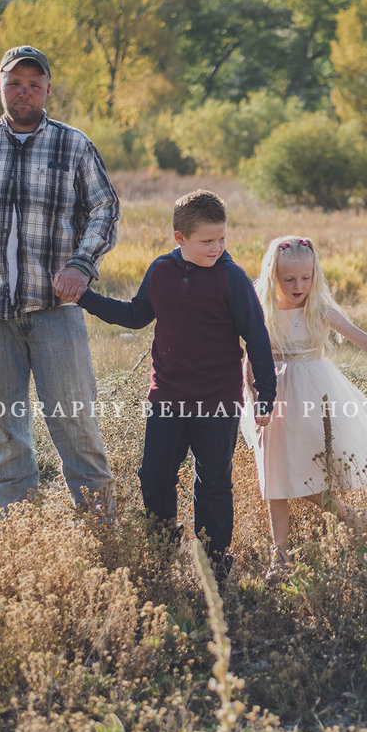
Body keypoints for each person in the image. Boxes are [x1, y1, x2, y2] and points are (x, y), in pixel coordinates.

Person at [0, 44, 118, 515]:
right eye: (15, 82)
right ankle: (19, 537)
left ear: (48, 89)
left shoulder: (73, 144)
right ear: (0, 85)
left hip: (55, 312)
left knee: (76, 428)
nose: (24, 91)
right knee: (6, 435)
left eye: (34, 84)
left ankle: (103, 540)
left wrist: (81, 264)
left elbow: (105, 209)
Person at [65, 189, 275, 584]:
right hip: (167, 396)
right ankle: (163, 542)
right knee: (154, 474)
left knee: (213, 478)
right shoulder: (161, 271)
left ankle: (214, 559)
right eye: (207, 241)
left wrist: (266, 393)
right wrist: (85, 298)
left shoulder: (232, 278)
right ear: (180, 238)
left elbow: (257, 338)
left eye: (222, 239)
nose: (218, 248)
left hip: (217, 400)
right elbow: (135, 315)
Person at [241, 235, 367, 576]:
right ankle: (279, 556)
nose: (299, 285)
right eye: (289, 279)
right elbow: (248, 359)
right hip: (271, 395)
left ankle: (349, 515)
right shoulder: (260, 310)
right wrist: (254, 398)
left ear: (316, 274)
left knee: (306, 470)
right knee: (275, 473)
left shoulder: (319, 308)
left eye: (306, 277)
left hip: (314, 395)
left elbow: (366, 341)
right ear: (273, 277)